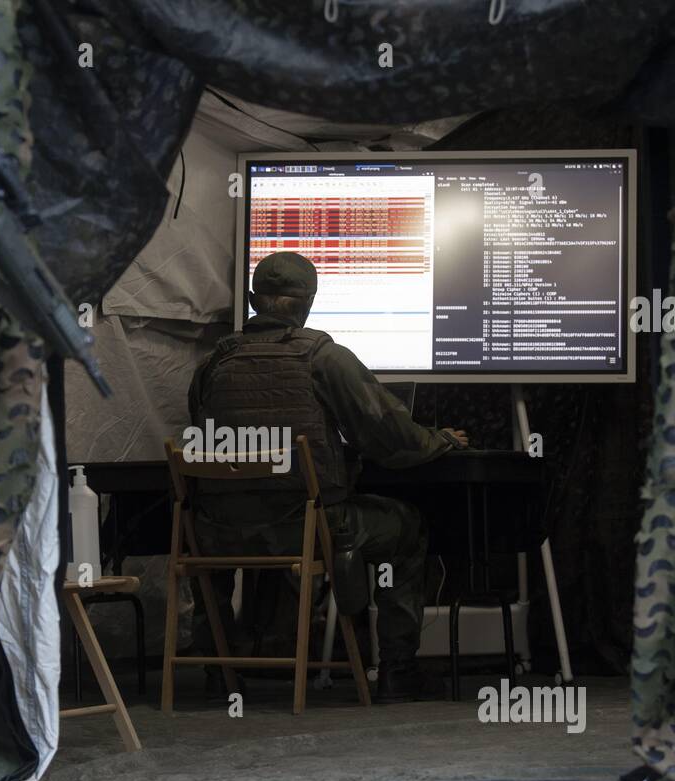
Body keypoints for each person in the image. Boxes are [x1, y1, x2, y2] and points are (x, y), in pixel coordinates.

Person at [188, 251, 469, 703]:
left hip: (219, 534)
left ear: (254, 299)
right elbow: (389, 436)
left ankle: (219, 675)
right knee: (407, 526)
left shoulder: (214, 364)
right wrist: (441, 440)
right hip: (307, 528)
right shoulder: (325, 357)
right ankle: (397, 671)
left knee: (213, 539)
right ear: (309, 301)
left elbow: (202, 436)